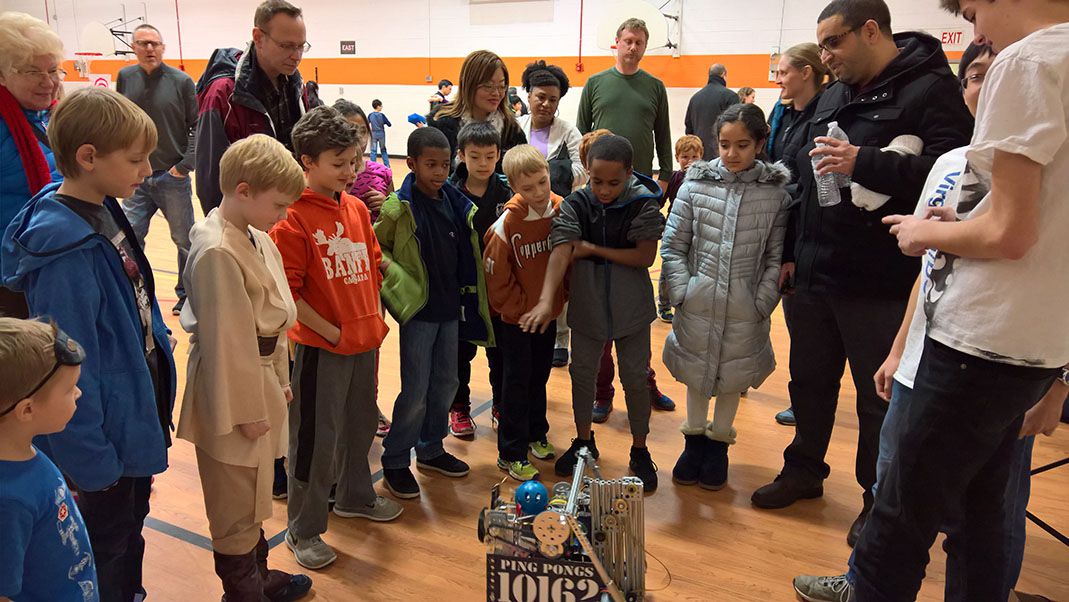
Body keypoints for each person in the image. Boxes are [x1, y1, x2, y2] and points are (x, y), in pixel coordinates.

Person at [813, 0, 1069, 598]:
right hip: (1035, 343)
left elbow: (1009, 234)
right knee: (980, 518)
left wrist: (924, 231)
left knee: (896, 530)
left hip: (981, 340)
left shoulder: (1029, 60)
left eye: (977, 12)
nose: (979, 31)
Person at [751, 0, 974, 551]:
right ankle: (803, 470)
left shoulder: (930, 91)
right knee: (809, 382)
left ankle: (876, 501)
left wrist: (863, 162)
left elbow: (951, 176)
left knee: (876, 399)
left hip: (880, 280)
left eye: (833, 43)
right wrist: (789, 253)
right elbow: (807, 171)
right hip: (814, 270)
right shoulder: (833, 91)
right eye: (821, 45)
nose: (824, 55)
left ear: (870, 30)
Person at [1, 87, 178, 602]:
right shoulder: (65, 250)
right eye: (136, 159)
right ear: (88, 157)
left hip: (131, 419)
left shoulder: (102, 207)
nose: (146, 171)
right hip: (104, 445)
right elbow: (68, 369)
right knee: (106, 545)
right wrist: (93, 463)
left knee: (129, 532)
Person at [178, 135, 313, 601]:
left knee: (254, 489)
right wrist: (248, 410)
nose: (283, 215)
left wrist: (279, 378)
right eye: (278, 205)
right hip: (231, 391)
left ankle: (257, 575)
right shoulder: (218, 249)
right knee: (234, 496)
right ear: (243, 190)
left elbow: (273, 321)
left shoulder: (254, 234)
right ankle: (242, 591)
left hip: (258, 376)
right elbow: (227, 345)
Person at [269, 107, 402, 570]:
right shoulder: (291, 218)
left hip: (364, 344)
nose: (350, 171)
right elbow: (289, 292)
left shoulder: (357, 207)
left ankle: (354, 497)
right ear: (306, 161)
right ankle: (302, 529)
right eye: (339, 162)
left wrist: (371, 323)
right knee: (315, 441)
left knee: (360, 427)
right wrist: (334, 332)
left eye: (355, 160)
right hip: (322, 351)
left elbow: (371, 265)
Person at [521, 134, 664, 492]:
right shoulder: (576, 203)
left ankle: (640, 449)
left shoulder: (643, 202)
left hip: (632, 310)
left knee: (635, 379)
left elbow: (644, 257)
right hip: (586, 308)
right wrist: (545, 299)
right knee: (582, 374)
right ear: (588, 171)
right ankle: (584, 441)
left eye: (614, 182)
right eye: (597, 180)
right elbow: (561, 250)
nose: (603, 189)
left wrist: (591, 248)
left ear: (630, 173)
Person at [663, 103, 790, 491]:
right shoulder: (694, 186)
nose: (732, 154)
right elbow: (674, 244)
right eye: (724, 144)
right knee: (697, 374)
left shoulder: (775, 196)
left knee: (733, 375)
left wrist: (762, 301)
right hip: (699, 300)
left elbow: (775, 256)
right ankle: (693, 442)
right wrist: (683, 289)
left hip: (744, 305)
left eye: (742, 145)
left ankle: (719, 444)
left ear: (760, 144)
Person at [374, 127, 494, 499]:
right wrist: (400, 286)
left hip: (450, 309)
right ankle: (395, 458)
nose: (440, 172)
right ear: (411, 164)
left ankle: (430, 448)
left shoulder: (454, 201)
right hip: (419, 313)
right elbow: (378, 250)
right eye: (430, 165)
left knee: (446, 382)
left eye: (445, 164)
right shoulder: (398, 207)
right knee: (415, 389)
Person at [484, 145, 566, 481]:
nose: (538, 192)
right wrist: (520, 311)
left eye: (542, 183)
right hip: (516, 321)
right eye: (527, 188)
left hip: (546, 318)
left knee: (540, 376)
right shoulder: (505, 226)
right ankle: (511, 452)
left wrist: (556, 302)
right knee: (516, 384)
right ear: (514, 187)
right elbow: (496, 280)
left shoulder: (561, 209)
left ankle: (536, 433)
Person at [0, 319, 98, 602]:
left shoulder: (24, 449)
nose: (78, 393)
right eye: (69, 389)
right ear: (27, 410)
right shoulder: (8, 502)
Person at [767, 42, 836, 428]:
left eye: (783, 72)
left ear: (807, 72)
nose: (778, 79)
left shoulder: (825, 115)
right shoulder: (781, 113)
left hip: (803, 232)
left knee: (802, 327)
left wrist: (791, 250)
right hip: (777, 226)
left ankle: (803, 402)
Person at [195, 0, 318, 214]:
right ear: (258, 38)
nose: (297, 56)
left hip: (286, 215)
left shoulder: (297, 87)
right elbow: (210, 180)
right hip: (247, 221)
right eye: (287, 46)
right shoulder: (222, 95)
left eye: (301, 46)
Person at [117, 23, 198, 317]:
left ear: (163, 47)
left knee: (184, 241)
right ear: (134, 48)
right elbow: (119, 121)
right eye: (142, 43)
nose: (149, 49)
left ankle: (186, 295)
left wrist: (183, 166)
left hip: (170, 176)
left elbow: (196, 126)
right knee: (130, 235)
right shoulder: (125, 78)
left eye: (154, 43)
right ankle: (134, 291)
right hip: (135, 178)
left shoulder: (182, 82)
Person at [515, 60, 587, 369]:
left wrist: (552, 175)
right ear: (528, 94)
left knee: (558, 273)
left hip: (557, 210)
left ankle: (561, 337)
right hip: (520, 210)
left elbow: (582, 167)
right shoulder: (515, 127)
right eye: (540, 96)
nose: (545, 103)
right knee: (526, 269)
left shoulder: (569, 131)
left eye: (552, 99)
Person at [447, 122, 510, 437]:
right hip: (463, 289)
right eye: (475, 157)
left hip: (498, 289)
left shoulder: (507, 192)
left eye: (489, 156)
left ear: (499, 155)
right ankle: (458, 408)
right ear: (460, 156)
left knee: (499, 351)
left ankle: (501, 404)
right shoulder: (449, 194)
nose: (483, 163)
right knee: (461, 352)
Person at [0, 12, 64, 318]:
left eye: (53, 70)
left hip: (52, 259)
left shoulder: (51, 117)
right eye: (32, 72)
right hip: (11, 278)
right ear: (2, 75)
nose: (48, 82)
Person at [577, 18, 673, 189]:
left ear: (645, 47)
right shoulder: (594, 83)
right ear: (617, 42)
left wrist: (665, 176)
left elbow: (663, 135)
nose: (633, 47)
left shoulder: (656, 86)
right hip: (601, 179)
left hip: (640, 178)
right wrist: (586, 171)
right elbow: (581, 133)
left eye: (639, 43)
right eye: (628, 41)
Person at [428, 50, 527, 172]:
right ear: (468, 85)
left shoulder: (511, 129)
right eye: (488, 86)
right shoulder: (441, 123)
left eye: (502, 86)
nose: (496, 93)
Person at [656, 134, 703, 323]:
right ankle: (664, 305)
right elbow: (659, 201)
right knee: (669, 267)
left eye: (694, 157)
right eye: (685, 157)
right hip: (675, 229)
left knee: (693, 266)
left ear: (701, 156)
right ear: (677, 158)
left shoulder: (704, 179)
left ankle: (688, 303)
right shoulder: (674, 178)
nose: (689, 161)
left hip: (696, 230)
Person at [685, 64, 737, 161]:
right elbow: (736, 127)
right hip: (721, 156)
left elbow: (689, 128)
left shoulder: (695, 97)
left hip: (698, 154)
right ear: (723, 75)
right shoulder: (731, 96)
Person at [368, 98, 392, 167]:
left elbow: (367, 123)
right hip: (381, 134)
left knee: (373, 151)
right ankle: (387, 165)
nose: (381, 107)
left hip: (373, 134)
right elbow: (389, 124)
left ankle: (372, 166)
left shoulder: (370, 115)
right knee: (383, 150)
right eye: (381, 106)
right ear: (378, 106)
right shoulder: (382, 115)